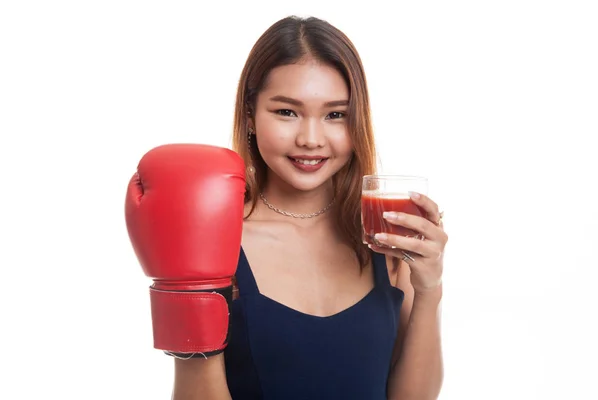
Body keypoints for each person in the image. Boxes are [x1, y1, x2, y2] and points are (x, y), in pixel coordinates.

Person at [129, 15, 448, 400]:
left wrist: (429, 289)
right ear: (250, 115)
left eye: (335, 115)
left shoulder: (383, 240)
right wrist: (188, 294)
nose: (310, 139)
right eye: (286, 112)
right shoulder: (219, 240)